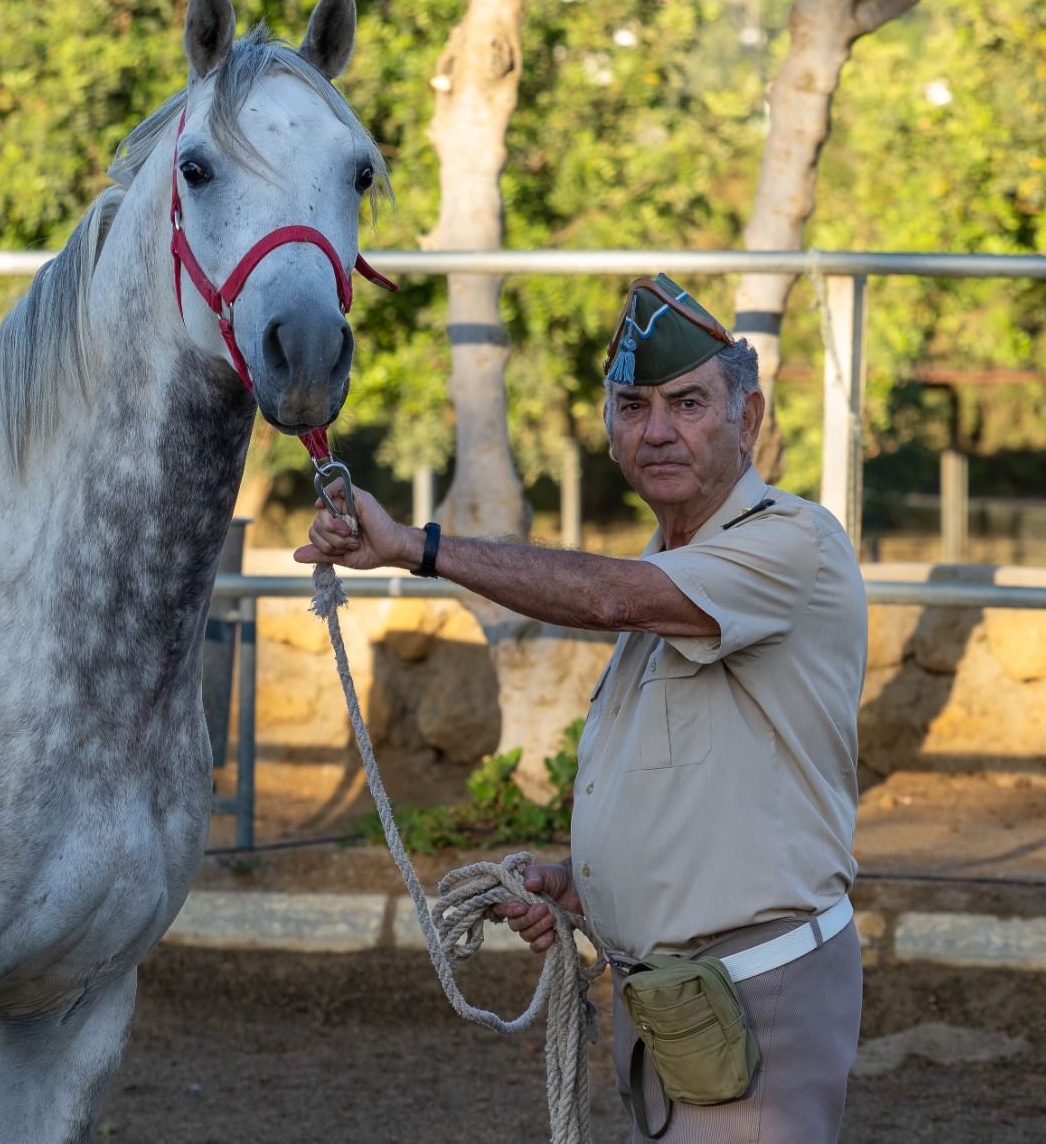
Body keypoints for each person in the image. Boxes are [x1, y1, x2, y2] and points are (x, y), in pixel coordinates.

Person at [294, 275, 867, 1143]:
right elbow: (695, 786)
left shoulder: (791, 542)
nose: (659, 429)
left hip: (755, 994)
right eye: (633, 406)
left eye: (688, 403)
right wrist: (585, 885)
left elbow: (607, 596)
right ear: (610, 434)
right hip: (674, 1001)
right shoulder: (666, 575)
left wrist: (417, 547)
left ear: (749, 421)